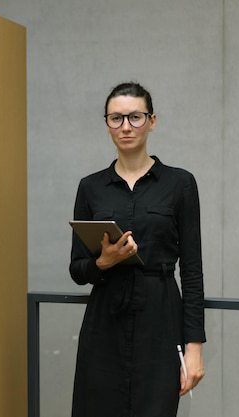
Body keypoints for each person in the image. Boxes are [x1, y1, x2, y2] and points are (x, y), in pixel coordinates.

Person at [70, 82, 206, 417]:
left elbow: (191, 269)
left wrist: (194, 348)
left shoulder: (180, 184)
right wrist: (103, 261)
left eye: (135, 117)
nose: (126, 126)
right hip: (105, 321)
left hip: (160, 317)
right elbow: (77, 269)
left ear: (152, 121)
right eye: (116, 118)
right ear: (106, 124)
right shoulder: (90, 187)